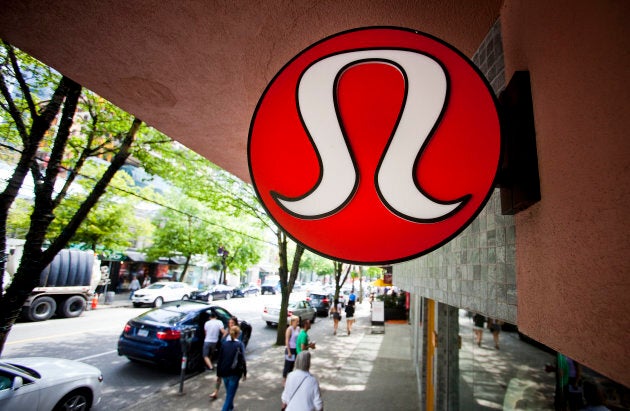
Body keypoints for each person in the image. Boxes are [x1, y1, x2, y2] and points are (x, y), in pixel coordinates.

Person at [216, 325, 247, 411]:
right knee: (230, 395)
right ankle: (227, 408)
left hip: (224, 371)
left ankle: (231, 407)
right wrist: (245, 373)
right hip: (234, 372)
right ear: (238, 334)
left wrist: (218, 374)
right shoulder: (240, 344)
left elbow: (220, 360)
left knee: (229, 392)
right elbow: (243, 359)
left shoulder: (224, 344)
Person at [211, 317, 242, 399]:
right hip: (224, 355)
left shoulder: (238, 332)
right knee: (219, 375)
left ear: (235, 324)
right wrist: (225, 335)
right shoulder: (227, 331)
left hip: (231, 359)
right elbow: (222, 342)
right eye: (229, 323)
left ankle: (228, 396)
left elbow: (239, 345)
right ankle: (216, 392)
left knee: (227, 378)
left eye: (232, 323)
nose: (230, 324)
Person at [283, 316, 300, 385]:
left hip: (295, 349)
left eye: (298, 321)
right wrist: (289, 351)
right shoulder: (289, 329)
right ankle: (284, 380)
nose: (298, 323)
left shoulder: (298, 328)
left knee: (292, 365)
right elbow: (287, 340)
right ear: (293, 321)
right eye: (297, 321)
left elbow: (298, 339)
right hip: (290, 349)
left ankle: (290, 379)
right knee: (287, 365)